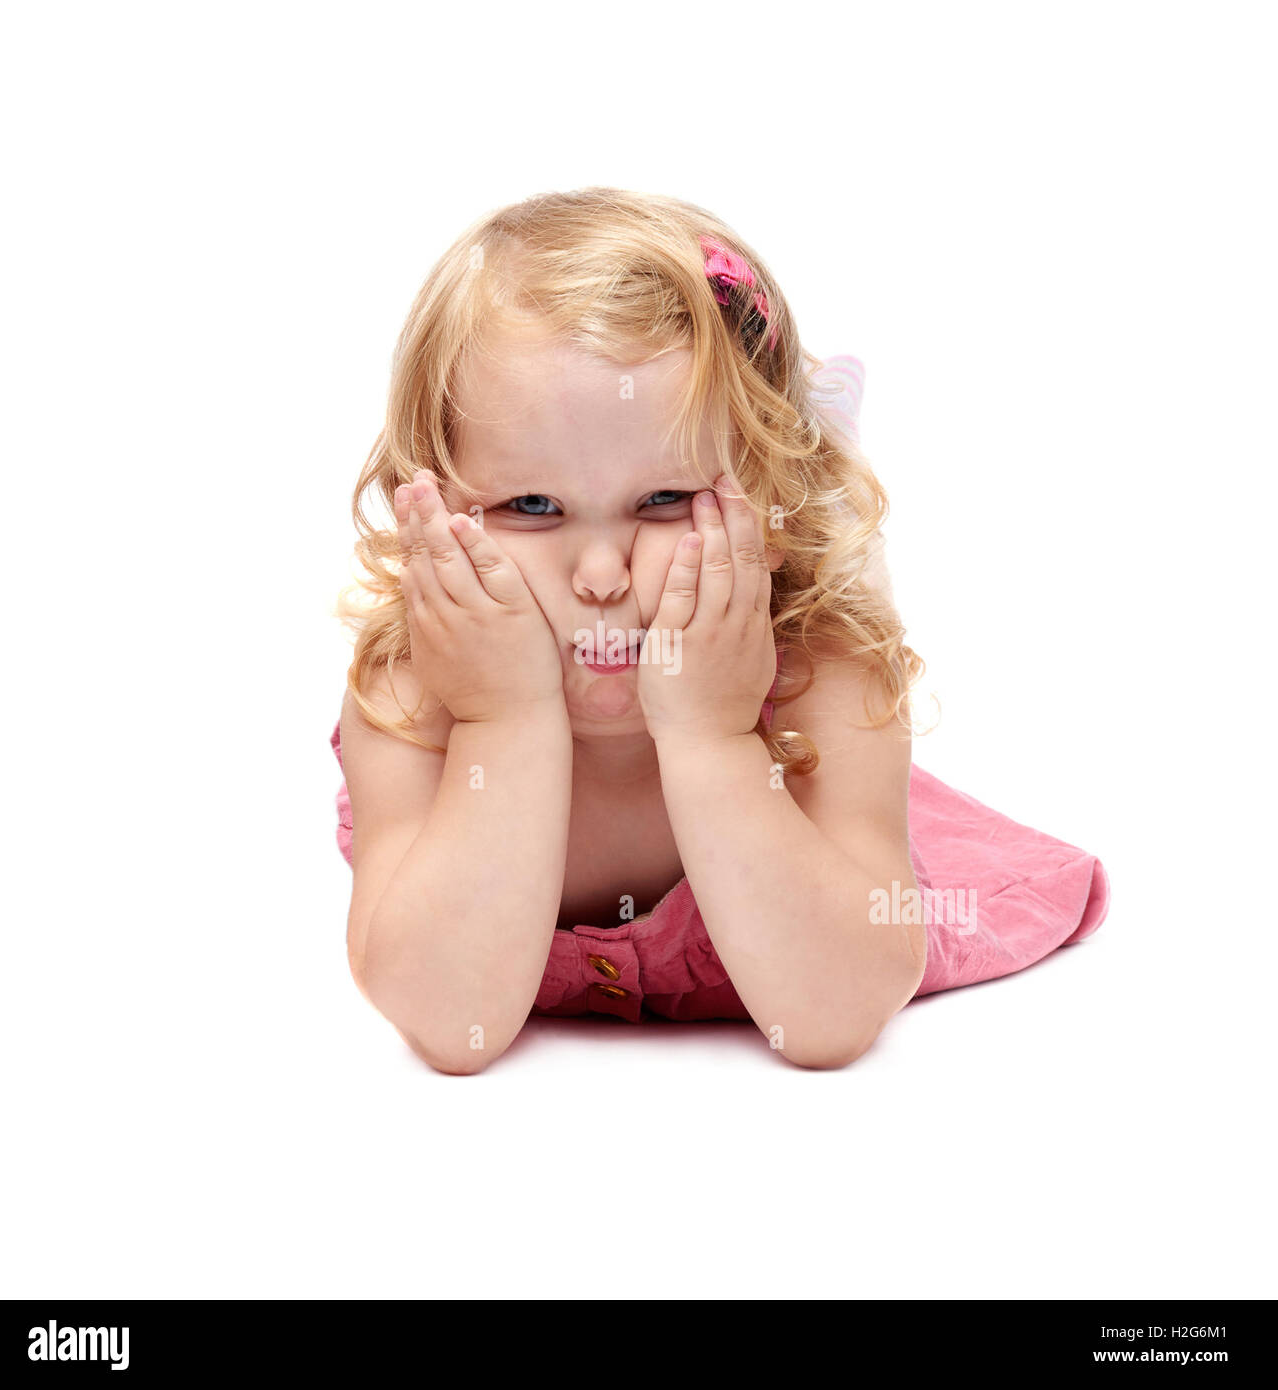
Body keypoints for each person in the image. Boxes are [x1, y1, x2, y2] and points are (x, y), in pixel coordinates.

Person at [329, 187, 1110, 1074]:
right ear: (426, 502)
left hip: (809, 816)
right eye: (532, 505)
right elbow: (445, 1026)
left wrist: (713, 736)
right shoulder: (414, 693)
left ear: (771, 493)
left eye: (664, 500)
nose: (601, 574)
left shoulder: (822, 678)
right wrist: (500, 722)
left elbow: (833, 1020)